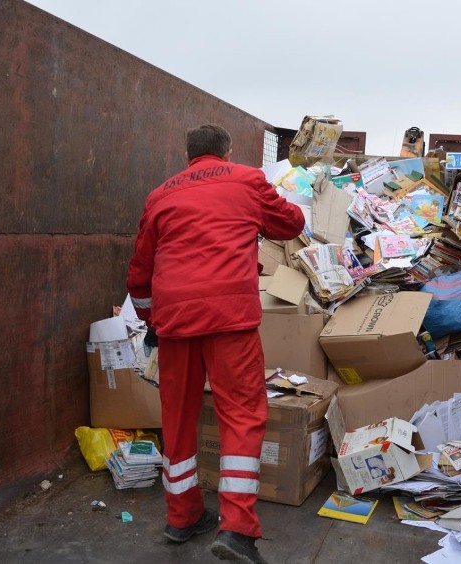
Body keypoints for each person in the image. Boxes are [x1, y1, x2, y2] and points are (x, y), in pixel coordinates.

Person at [127, 124, 305, 564]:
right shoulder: (246, 179)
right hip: (230, 320)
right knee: (242, 415)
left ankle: (182, 516)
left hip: (175, 322)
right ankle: (238, 530)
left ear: (187, 154)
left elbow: (138, 276)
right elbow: (292, 224)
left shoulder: (159, 196)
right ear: (228, 151)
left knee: (179, 414)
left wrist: (153, 320)